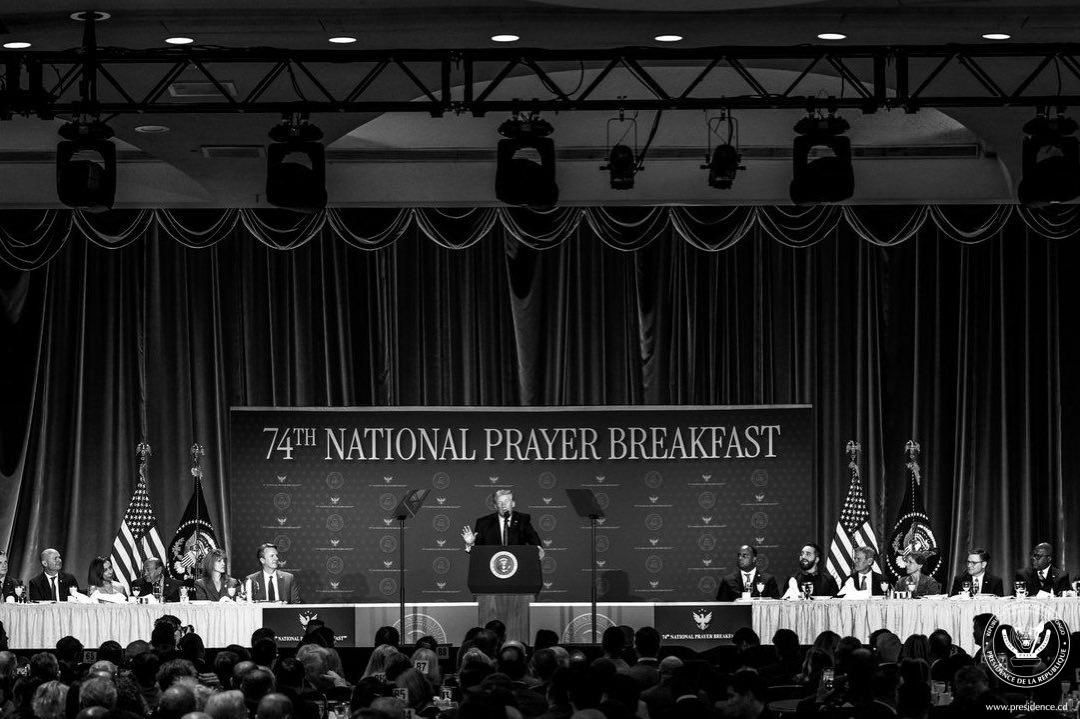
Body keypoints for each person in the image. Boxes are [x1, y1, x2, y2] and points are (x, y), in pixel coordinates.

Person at [461, 489, 542, 553]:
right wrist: (470, 543)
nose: (503, 505)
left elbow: (536, 544)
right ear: (496, 506)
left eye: (506, 501)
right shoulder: (483, 523)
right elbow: (477, 553)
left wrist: (538, 550)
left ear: (513, 503)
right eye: (500, 502)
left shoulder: (522, 520)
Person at [715, 545, 780, 601]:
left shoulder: (768, 580)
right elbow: (722, 605)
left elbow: (775, 604)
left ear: (754, 559)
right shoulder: (728, 580)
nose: (740, 558)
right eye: (739, 555)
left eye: (744, 556)